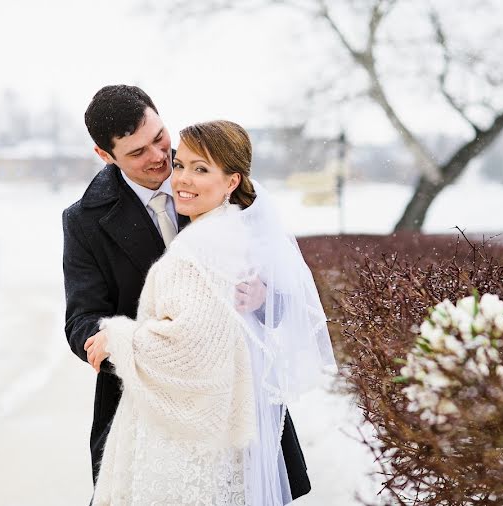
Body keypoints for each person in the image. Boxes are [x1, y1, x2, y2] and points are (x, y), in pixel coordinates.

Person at [62, 86, 316, 502]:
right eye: (138, 152)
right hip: (149, 407)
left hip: (236, 404)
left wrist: (262, 297)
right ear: (105, 156)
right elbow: (82, 319)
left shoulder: (215, 173)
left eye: (160, 137)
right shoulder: (83, 220)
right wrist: (113, 341)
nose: (160, 158)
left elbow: (282, 285)